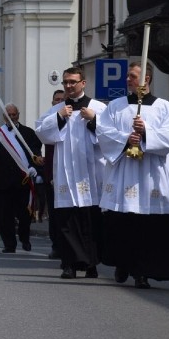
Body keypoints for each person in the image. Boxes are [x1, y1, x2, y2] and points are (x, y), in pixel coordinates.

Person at [96, 62, 169, 289]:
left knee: (148, 228)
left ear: (147, 80)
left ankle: (142, 272)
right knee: (124, 224)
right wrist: (127, 138)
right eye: (128, 76)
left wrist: (146, 134)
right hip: (124, 173)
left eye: (133, 76)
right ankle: (122, 264)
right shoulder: (115, 107)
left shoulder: (166, 108)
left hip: (151, 175)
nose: (127, 80)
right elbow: (103, 133)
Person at [35, 67, 107, 279]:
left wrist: (93, 120)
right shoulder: (57, 109)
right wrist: (59, 117)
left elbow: (112, 136)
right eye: (66, 82)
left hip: (90, 172)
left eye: (73, 82)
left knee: (89, 221)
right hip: (65, 173)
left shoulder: (98, 107)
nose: (68, 85)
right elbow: (41, 132)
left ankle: (91, 264)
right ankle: (69, 264)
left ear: (83, 83)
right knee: (66, 221)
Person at [0, 103, 42, 254]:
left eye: (14, 115)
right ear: (4, 117)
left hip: (23, 181)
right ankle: (9, 244)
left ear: (18, 114)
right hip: (4, 182)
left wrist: (34, 168)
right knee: (5, 216)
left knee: (25, 215)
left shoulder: (29, 132)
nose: (11, 117)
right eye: (8, 115)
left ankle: (25, 238)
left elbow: (35, 152)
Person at [43, 89, 65, 259]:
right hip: (52, 175)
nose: (59, 102)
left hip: (69, 175)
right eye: (56, 99)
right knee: (54, 213)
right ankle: (56, 245)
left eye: (61, 99)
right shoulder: (49, 120)